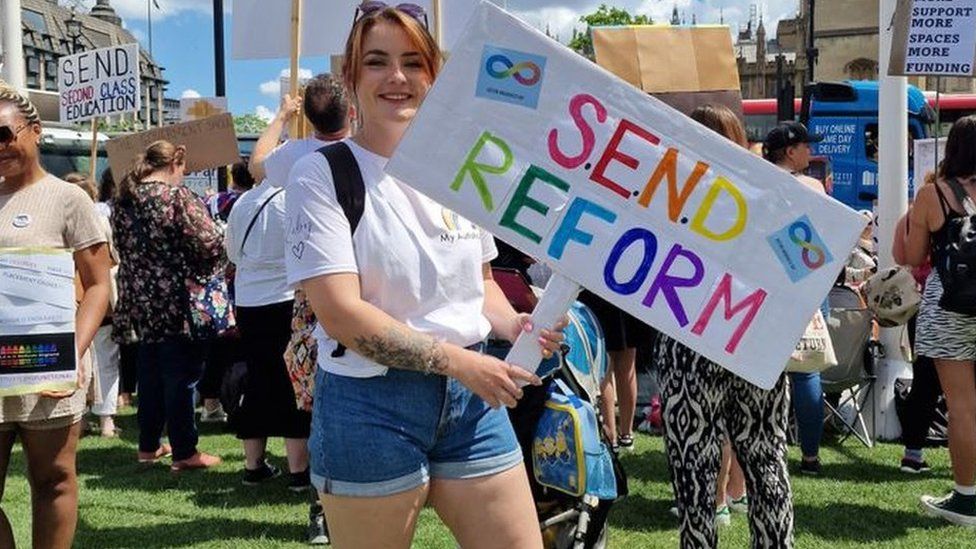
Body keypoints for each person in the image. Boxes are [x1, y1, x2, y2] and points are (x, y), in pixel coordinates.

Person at [284, 5, 565, 547]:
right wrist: (460, 362)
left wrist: (516, 325)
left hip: (472, 407)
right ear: (351, 77)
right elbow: (341, 314)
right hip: (370, 405)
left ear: (434, 75)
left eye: (413, 62)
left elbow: (478, 283)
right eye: (377, 62)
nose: (397, 77)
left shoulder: (461, 166)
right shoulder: (321, 173)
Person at [657, 104, 793, 548]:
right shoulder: (772, 195)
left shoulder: (667, 194)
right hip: (756, 337)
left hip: (689, 340)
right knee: (766, 458)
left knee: (693, 469)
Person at [0, 82, 111, 549]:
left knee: (54, 481)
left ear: (34, 131)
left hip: (48, 368)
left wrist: (73, 352)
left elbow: (99, 285)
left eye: (4, 133)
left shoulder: (70, 200)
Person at [225, 165, 326, 544]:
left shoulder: (242, 202)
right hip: (284, 297)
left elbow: (232, 251)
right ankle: (298, 470)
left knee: (259, 377)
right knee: (291, 382)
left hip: (250, 300)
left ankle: (253, 464)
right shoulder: (291, 200)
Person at [111, 140, 224, 471]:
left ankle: (148, 446)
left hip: (140, 300)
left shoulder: (124, 200)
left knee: (150, 374)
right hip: (178, 300)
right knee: (181, 376)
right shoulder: (177, 197)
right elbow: (209, 242)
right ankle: (185, 451)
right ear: (175, 163)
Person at [896, 115, 976, 526]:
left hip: (949, 306)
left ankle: (966, 498)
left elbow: (912, 257)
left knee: (962, 406)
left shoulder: (934, 194)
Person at [763, 121, 828, 476]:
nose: (810, 152)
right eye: (805, 146)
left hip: (766, 283)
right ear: (790, 151)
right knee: (806, 369)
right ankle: (810, 456)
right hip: (806, 281)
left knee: (761, 370)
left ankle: (763, 445)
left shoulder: (758, 182)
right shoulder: (812, 186)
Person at [197, 161, 255, 423]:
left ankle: (211, 404)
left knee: (217, 348)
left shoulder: (213, 202)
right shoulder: (254, 203)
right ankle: (242, 398)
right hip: (247, 284)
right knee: (246, 349)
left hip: (218, 287)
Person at [65, 172, 122, 438]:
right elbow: (113, 256)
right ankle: (104, 420)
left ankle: (86, 418)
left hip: (76, 297)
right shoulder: (100, 220)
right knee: (103, 358)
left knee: (83, 358)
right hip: (92, 297)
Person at [249, 73, 354, 185]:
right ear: (352, 113)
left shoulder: (292, 154)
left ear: (307, 117)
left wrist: (283, 115)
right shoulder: (369, 153)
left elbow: (255, 167)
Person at [577, 290, 644, 451]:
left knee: (603, 367)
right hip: (629, 292)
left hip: (597, 291)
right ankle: (626, 434)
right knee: (626, 365)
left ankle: (611, 436)